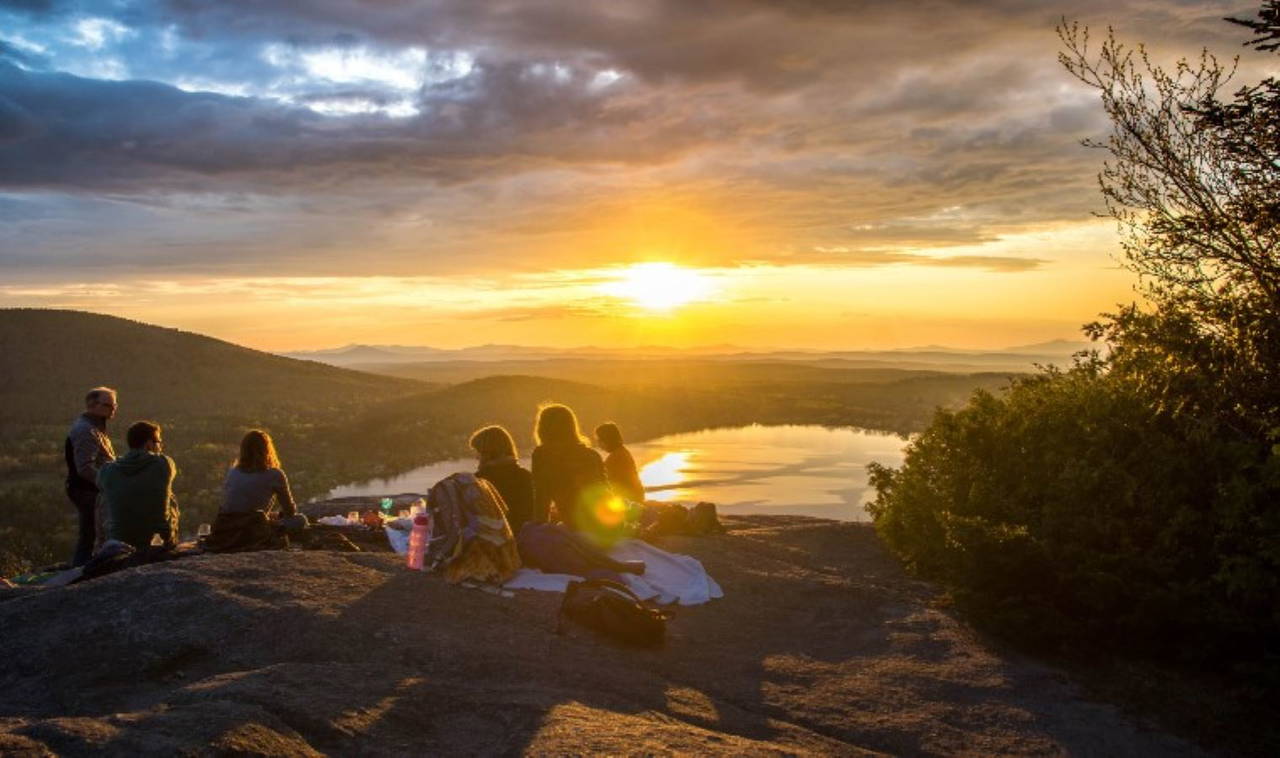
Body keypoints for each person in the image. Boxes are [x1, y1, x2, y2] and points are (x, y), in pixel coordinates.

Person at [97, 421, 179, 551]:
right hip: (157, 541)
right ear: (148, 444)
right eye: (158, 442)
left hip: (119, 541)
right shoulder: (164, 463)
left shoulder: (107, 470)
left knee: (106, 498)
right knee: (170, 497)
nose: (161, 446)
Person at [530, 404, 612, 534]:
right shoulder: (592, 455)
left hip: (576, 526)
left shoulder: (542, 454)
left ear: (542, 428)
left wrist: (538, 531)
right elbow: (607, 492)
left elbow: (542, 497)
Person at [64, 387, 118, 565]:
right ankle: (82, 570)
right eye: (109, 405)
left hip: (90, 489)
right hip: (87, 490)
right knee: (91, 533)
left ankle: (83, 568)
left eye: (114, 404)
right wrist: (107, 484)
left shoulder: (95, 427)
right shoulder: (85, 430)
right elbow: (85, 467)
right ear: (92, 405)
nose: (114, 408)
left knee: (92, 533)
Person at [469, 425, 536, 533]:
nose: (476, 457)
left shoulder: (479, 481)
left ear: (487, 453)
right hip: (526, 540)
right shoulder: (526, 477)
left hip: (493, 544)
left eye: (478, 452)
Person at [221, 430, 297, 518]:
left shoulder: (233, 472)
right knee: (300, 520)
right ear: (267, 450)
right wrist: (279, 515)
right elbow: (289, 511)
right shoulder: (274, 474)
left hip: (227, 524)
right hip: (254, 525)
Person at [595, 422, 645, 504]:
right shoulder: (622, 452)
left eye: (599, 440)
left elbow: (605, 479)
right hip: (634, 499)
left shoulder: (616, 457)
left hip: (628, 501)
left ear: (607, 439)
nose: (598, 444)